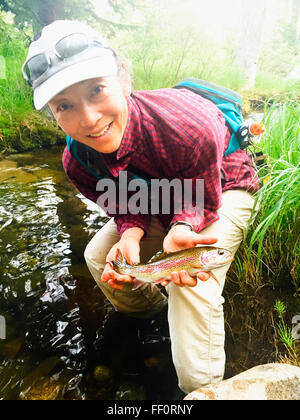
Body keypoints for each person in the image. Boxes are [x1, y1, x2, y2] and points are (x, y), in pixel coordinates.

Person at [22, 20, 260, 395]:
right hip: (154, 198)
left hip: (223, 186)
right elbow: (124, 203)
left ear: (124, 79)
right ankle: (148, 313)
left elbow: (201, 198)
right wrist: (131, 233)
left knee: (191, 287)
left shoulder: (187, 123)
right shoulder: (76, 161)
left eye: (97, 89)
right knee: (101, 257)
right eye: (64, 105)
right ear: (52, 113)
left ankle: (202, 390)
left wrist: (182, 229)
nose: (88, 119)